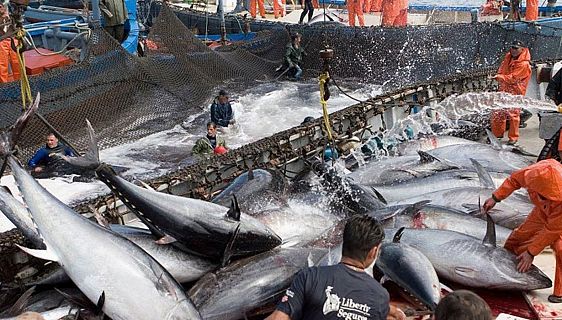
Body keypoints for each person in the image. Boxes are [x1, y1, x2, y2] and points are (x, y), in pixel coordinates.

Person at [265, 214, 406, 320]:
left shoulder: (310, 276)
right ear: (374, 251)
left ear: (344, 242)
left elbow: (279, 317)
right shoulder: (379, 296)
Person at [483, 159, 562, 303]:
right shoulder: (533, 173)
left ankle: (560, 292)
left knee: (560, 247)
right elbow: (513, 180)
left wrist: (531, 252)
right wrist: (495, 198)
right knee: (519, 237)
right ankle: (506, 268)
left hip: (559, 218)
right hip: (542, 210)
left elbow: (552, 230)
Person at [489, 40, 531, 145]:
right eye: (512, 47)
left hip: (516, 91)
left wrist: (499, 77)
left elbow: (513, 78)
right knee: (498, 112)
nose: (514, 50)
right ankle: (497, 135)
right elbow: (502, 69)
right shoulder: (508, 56)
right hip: (504, 89)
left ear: (522, 49)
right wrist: (498, 76)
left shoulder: (524, 64)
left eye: (516, 48)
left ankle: (513, 138)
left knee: (513, 114)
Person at [0, 1, 20, 83]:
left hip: (13, 40)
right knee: (2, 67)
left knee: (18, 64)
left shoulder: (12, 14)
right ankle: (3, 88)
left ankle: (20, 84)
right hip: (1, 42)